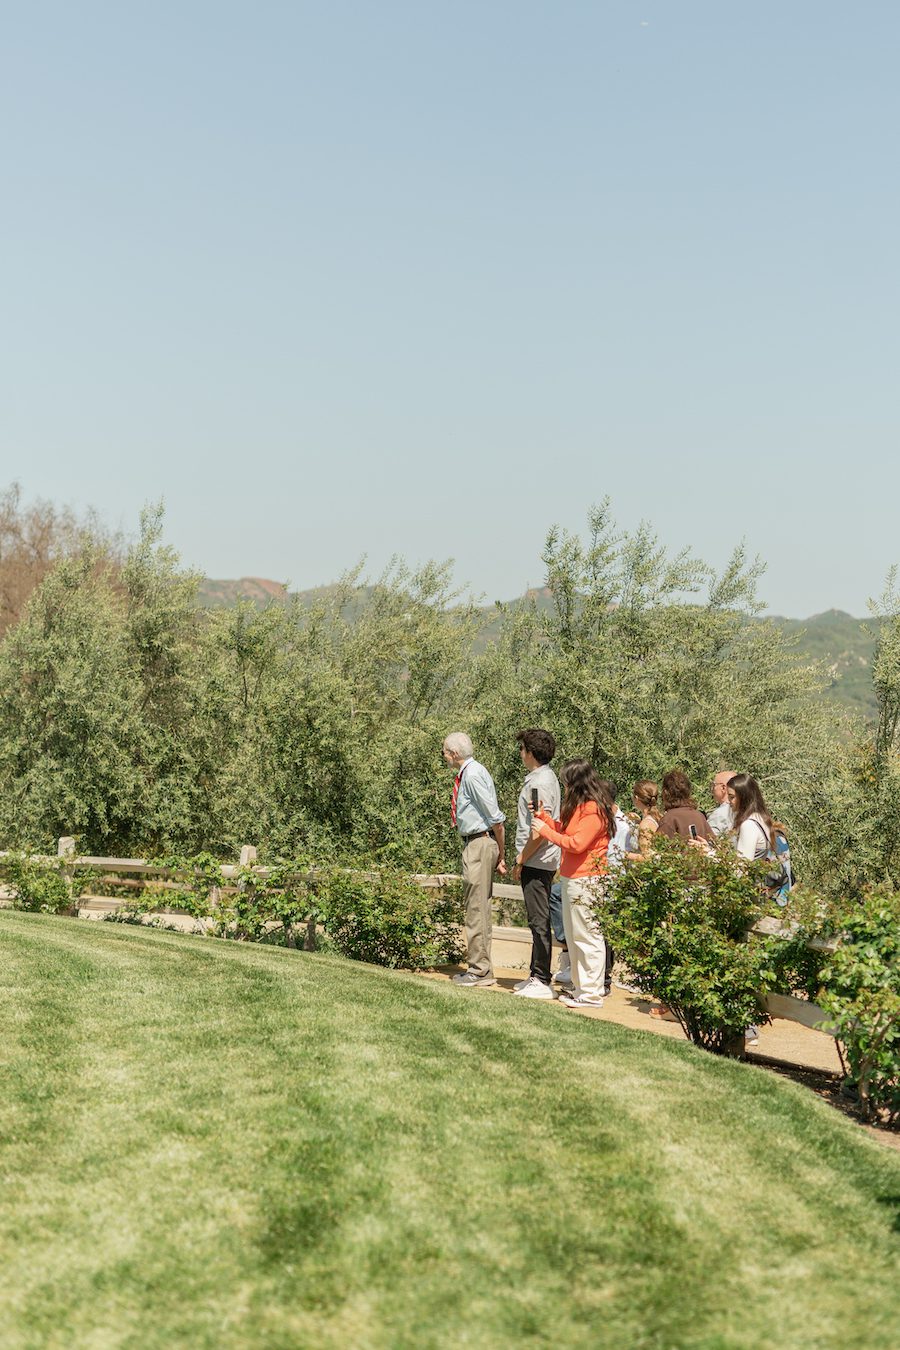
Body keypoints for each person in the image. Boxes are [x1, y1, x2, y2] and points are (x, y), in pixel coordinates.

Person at [530, 760, 615, 1010]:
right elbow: (566, 832)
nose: (565, 786)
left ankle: (591, 993)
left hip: (587, 879)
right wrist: (543, 817)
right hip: (572, 878)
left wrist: (544, 831)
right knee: (576, 937)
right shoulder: (580, 807)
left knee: (588, 937)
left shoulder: (594, 810)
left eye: (567, 782)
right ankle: (581, 989)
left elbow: (576, 843)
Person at [442, 732, 507, 988]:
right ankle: (480, 968)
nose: (444, 757)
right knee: (476, 905)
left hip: (480, 842)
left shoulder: (472, 774)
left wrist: (501, 853)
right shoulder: (471, 772)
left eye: (444, 752)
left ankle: (480, 970)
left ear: (454, 753)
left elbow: (495, 817)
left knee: (477, 908)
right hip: (476, 843)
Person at [511, 729, 561, 999]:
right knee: (537, 918)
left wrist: (522, 857)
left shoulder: (537, 784)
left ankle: (541, 978)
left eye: (522, 749)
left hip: (537, 859)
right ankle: (535, 974)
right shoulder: (545, 778)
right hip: (542, 858)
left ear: (530, 753)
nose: (520, 754)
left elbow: (539, 828)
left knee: (538, 919)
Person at [656, 770, 714, 844]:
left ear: (665, 792)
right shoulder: (699, 815)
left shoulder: (670, 819)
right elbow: (714, 844)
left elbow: (656, 850)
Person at [625, 780, 661, 861]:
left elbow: (647, 858)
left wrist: (623, 854)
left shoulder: (645, 824)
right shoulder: (656, 817)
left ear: (636, 798)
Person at [707, 770, 737, 837]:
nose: (712, 789)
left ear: (723, 788)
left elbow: (711, 841)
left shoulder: (718, 814)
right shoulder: (746, 810)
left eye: (714, 785)